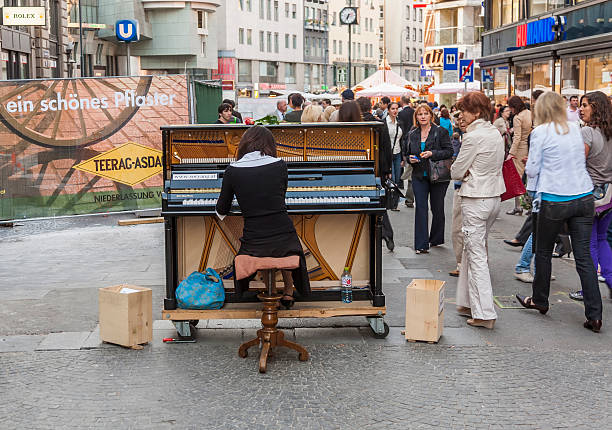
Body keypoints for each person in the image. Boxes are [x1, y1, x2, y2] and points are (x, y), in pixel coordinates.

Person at [516, 91, 602, 333]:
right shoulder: (575, 128)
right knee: (583, 257)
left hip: (555, 198)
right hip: (583, 196)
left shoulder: (541, 132)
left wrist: (533, 170)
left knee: (543, 251)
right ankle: (595, 314)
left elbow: (532, 170)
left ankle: (540, 300)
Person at [216, 126, 310, 307]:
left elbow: (222, 209)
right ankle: (288, 290)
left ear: (244, 145)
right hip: (285, 239)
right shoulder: (280, 165)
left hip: (254, 243)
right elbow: (278, 197)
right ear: (270, 145)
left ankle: (270, 293)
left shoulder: (232, 170)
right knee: (280, 243)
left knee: (265, 245)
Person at [451, 92, 505, 329]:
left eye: (464, 109)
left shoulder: (472, 137)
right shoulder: (494, 132)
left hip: (475, 198)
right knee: (474, 250)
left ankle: (484, 313)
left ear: (476, 112)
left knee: (476, 256)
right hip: (493, 196)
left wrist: (466, 171)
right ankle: (466, 302)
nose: (461, 114)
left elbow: (455, 171)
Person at [569, 91, 612, 301]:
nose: (581, 109)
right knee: (603, 239)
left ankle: (589, 290)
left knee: (589, 243)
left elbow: (578, 162)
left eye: (585, 105)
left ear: (596, 107)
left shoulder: (587, 133)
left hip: (591, 193)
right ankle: (611, 281)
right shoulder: (610, 131)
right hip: (610, 194)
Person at [405, 103, 453, 254]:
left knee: (437, 208)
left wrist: (433, 153)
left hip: (438, 176)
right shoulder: (412, 133)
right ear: (416, 117)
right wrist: (409, 159)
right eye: (420, 114)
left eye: (426, 114)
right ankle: (421, 244)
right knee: (421, 208)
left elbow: (449, 151)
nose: (423, 116)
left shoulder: (441, 131)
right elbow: (407, 153)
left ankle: (436, 238)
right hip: (419, 175)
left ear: (431, 116)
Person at [506, 95, 532, 215]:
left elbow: (517, 138)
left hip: (520, 149)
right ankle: (530, 206)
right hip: (531, 147)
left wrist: (511, 153)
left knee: (517, 179)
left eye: (510, 107)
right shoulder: (529, 113)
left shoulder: (517, 118)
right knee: (528, 178)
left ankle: (518, 206)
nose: (510, 110)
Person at [449, 114, 467, 277]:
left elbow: (457, 171)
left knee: (458, 229)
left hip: (465, 188)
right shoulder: (462, 137)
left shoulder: (469, 139)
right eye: (459, 119)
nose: (460, 121)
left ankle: (462, 264)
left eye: (463, 118)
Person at [381, 102, 405, 210]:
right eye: (393, 109)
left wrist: (403, 156)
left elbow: (402, 140)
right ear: (388, 110)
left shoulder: (399, 123)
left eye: (396, 109)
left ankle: (394, 203)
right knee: (392, 178)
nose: (395, 111)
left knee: (397, 179)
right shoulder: (383, 123)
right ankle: (391, 202)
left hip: (398, 153)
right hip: (388, 154)